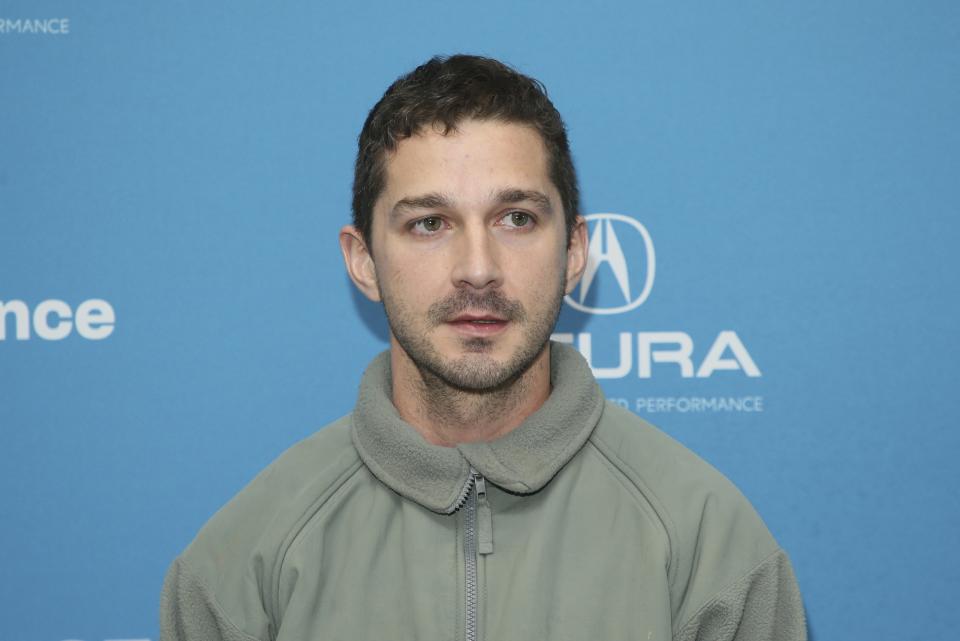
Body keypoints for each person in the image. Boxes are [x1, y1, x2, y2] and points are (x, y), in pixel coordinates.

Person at [160, 54, 806, 641]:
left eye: (516, 218)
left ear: (574, 251)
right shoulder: (243, 560)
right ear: (363, 261)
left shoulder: (708, 543)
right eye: (429, 223)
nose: (477, 267)